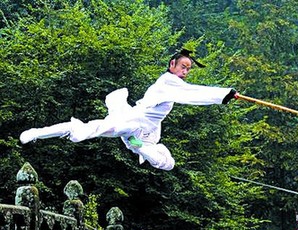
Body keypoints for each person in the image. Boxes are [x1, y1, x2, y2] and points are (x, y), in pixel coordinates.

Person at [19, 48, 238, 171]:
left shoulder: (171, 84)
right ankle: (37, 133)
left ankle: (138, 147)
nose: (185, 72)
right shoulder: (167, 82)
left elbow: (189, 92)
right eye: (183, 67)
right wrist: (224, 94)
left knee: (167, 162)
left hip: (144, 132)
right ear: (172, 64)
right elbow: (193, 94)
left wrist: (225, 95)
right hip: (132, 123)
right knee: (88, 130)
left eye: (188, 69)